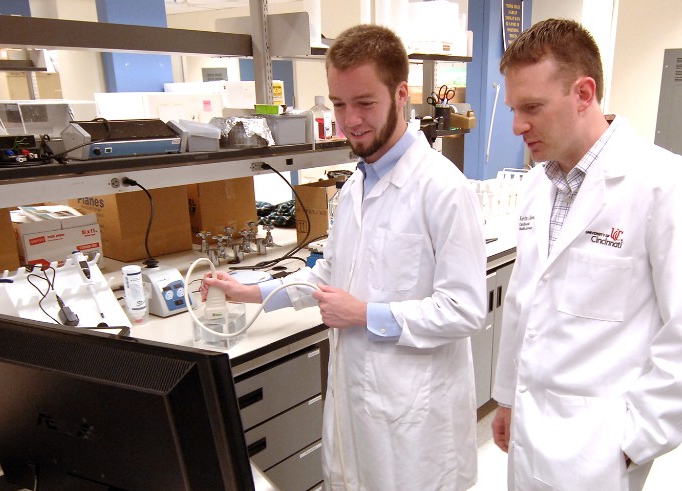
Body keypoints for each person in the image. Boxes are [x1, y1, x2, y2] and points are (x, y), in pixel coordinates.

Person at [202, 24, 486, 491]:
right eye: (338, 103)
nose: (349, 119)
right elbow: (330, 276)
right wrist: (249, 291)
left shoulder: (442, 189)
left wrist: (364, 314)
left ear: (400, 95)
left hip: (416, 424)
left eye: (364, 103)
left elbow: (465, 308)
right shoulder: (356, 187)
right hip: (359, 410)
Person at [490, 18, 682, 490]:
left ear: (583, 93)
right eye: (515, 108)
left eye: (532, 107)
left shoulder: (672, 188)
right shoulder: (540, 184)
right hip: (530, 425)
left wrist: (631, 442)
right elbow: (523, 302)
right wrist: (506, 396)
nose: (518, 126)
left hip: (599, 447)